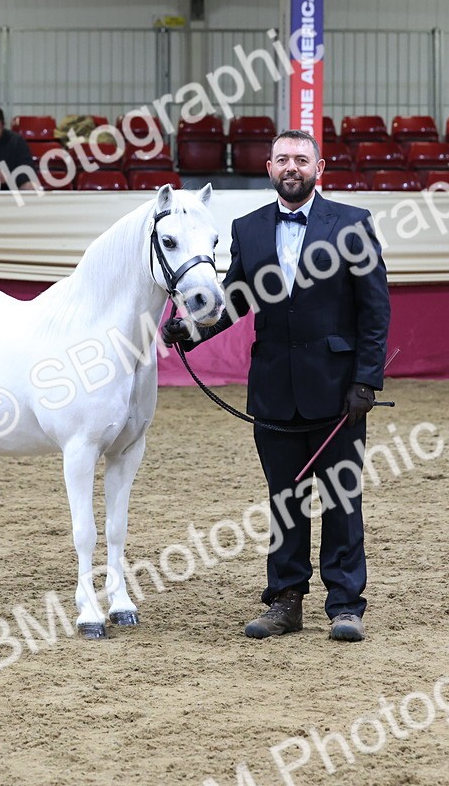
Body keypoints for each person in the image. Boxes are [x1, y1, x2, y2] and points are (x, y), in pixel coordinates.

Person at [162, 129, 390, 643]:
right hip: (272, 387)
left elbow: (375, 310)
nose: (292, 167)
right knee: (284, 498)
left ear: (319, 167)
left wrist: (366, 381)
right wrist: (191, 330)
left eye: (301, 160)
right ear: (268, 168)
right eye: (283, 159)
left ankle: (345, 606)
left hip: (338, 392)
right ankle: (285, 601)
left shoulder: (352, 224)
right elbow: (236, 299)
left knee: (341, 498)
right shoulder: (249, 228)